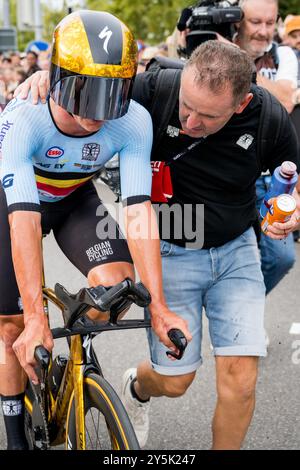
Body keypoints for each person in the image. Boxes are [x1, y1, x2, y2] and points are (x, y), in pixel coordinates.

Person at [13, 42, 300, 449]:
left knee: (240, 380)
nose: (191, 120)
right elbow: (89, 88)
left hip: (236, 250)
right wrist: (50, 79)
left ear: (241, 104)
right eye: (187, 106)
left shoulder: (268, 116)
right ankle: (138, 389)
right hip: (170, 247)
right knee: (176, 379)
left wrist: (291, 211)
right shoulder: (155, 88)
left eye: (208, 116)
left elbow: (292, 182)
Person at [0, 10, 190, 451]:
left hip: (73, 201)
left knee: (119, 287)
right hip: (14, 205)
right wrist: (33, 319)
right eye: (86, 95)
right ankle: (14, 434)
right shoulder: (23, 118)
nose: (97, 116)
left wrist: (159, 306)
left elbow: (139, 211)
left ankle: (74, 371)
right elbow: (24, 220)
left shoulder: (133, 120)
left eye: (112, 97)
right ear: (57, 77)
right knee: (11, 327)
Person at [233, 0, 299, 294]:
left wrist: (237, 68)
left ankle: (246, 306)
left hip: (270, 178)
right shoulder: (217, 43)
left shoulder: (283, 53)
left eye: (270, 23)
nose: (263, 31)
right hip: (230, 174)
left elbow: (284, 100)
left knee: (282, 257)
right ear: (238, 20)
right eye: (255, 22)